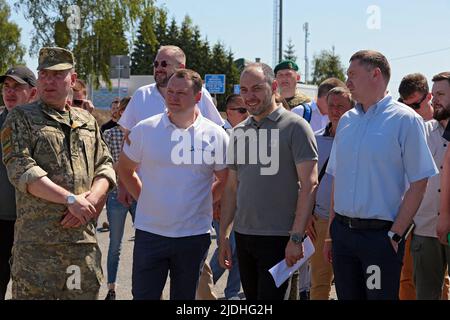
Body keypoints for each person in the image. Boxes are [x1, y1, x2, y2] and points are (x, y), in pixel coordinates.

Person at [1, 47, 116, 299]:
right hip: (38, 250)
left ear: (72, 80)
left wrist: (93, 199)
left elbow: (105, 164)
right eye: (44, 75)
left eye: (57, 74)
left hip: (81, 245)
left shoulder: (86, 120)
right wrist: (71, 200)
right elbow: (21, 168)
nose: (49, 81)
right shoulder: (21, 118)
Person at [324, 50, 438, 300]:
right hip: (343, 235)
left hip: (379, 240)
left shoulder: (405, 120)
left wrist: (396, 234)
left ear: (375, 74)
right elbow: (337, 178)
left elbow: (420, 181)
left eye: (352, 74)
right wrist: (332, 235)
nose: (348, 82)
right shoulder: (346, 122)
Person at [118, 69, 229, 300]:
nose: (173, 97)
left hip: (193, 236)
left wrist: (206, 200)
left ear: (198, 97)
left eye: (181, 92)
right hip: (150, 234)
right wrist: (144, 197)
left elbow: (226, 179)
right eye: (170, 92)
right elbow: (125, 169)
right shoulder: (145, 129)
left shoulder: (215, 135)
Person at [219, 63, 319, 300]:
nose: (249, 97)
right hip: (244, 237)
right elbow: (232, 187)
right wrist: (224, 235)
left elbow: (310, 185)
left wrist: (295, 238)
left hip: (279, 239)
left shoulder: (296, 127)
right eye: (244, 90)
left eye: (256, 88)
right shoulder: (239, 132)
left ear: (274, 86)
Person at [118, 45, 225, 206]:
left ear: (181, 67)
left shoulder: (201, 95)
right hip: (146, 191)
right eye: (156, 64)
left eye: (164, 64)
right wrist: (123, 185)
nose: (158, 68)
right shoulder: (141, 95)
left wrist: (213, 198)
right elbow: (127, 141)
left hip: (193, 199)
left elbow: (217, 141)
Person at [305, 86, 354, 300]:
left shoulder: (357, 141)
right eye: (331, 105)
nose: (335, 110)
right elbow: (307, 181)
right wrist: (306, 216)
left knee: (348, 283)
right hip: (321, 221)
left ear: (351, 108)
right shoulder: (315, 139)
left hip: (348, 222)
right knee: (319, 282)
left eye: (341, 106)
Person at [408, 72, 450, 300]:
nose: (435, 100)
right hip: (425, 230)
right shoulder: (422, 132)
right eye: (434, 95)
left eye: (442, 94)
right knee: (426, 295)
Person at [0, 66, 37, 300]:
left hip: (32, 223)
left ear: (32, 93)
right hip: (1, 221)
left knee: (30, 290)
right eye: (6, 87)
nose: (10, 92)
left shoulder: (43, 125)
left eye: (17, 87)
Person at [210, 94, 248, 299]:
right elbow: (217, 175)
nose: (246, 114)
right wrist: (216, 202)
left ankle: (232, 292)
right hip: (224, 203)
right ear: (229, 112)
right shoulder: (221, 134)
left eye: (247, 110)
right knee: (227, 247)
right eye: (241, 110)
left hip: (245, 202)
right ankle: (202, 284)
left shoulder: (247, 133)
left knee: (240, 249)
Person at [102, 96, 136, 300]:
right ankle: (111, 288)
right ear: (120, 112)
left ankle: (143, 289)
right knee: (115, 244)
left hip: (141, 193)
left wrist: (124, 165)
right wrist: (125, 165)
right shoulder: (109, 134)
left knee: (146, 243)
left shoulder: (145, 135)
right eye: (125, 110)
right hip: (116, 193)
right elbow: (105, 166)